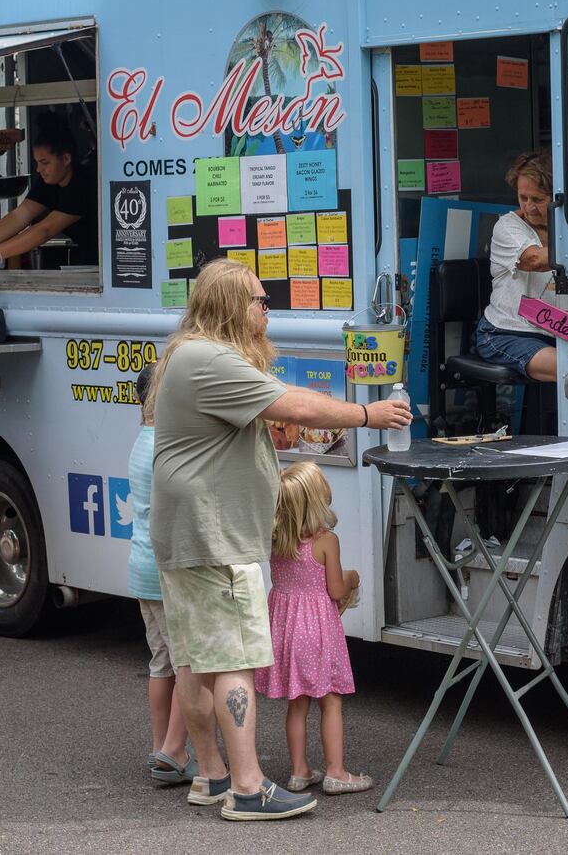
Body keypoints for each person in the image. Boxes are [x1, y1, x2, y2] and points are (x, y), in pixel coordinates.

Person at [148, 258, 411, 821]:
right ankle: (247, 788)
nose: (267, 311)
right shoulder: (210, 357)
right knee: (235, 659)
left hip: (191, 534)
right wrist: (368, 411)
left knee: (197, 663)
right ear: (230, 307)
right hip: (215, 538)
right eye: (260, 301)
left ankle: (212, 777)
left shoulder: (191, 355)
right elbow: (290, 400)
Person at [255, 462, 371, 796]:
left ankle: (299, 771)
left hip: (286, 630)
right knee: (330, 701)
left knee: (297, 703)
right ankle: (336, 772)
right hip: (317, 632)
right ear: (316, 502)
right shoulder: (325, 541)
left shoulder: (277, 539)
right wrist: (352, 578)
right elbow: (335, 590)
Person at [125, 364, 200, 787]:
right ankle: (175, 750)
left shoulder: (141, 441)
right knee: (188, 661)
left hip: (140, 568)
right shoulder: (166, 447)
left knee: (162, 663)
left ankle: (161, 749)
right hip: (164, 570)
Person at [473, 150, 558, 382]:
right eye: (523, 198)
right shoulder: (507, 226)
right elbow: (534, 260)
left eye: (538, 200)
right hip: (506, 333)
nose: (529, 207)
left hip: (561, 333)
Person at [0, 135, 96, 275]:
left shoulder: (82, 185)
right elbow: (22, 214)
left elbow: (45, 230)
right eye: (37, 163)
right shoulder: (48, 181)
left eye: (45, 163)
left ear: (66, 159)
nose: (38, 169)